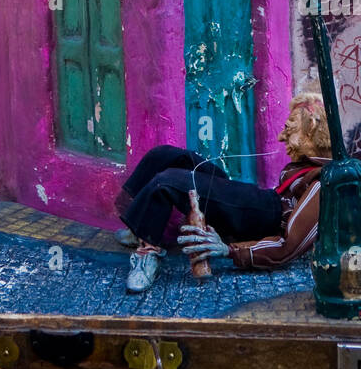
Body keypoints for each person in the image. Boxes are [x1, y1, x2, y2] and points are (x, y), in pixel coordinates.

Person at [117, 92, 331, 293]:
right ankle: (139, 225)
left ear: (311, 128)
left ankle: (148, 254)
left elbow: (289, 246)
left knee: (168, 182)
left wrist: (231, 251)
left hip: (262, 216)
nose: (282, 136)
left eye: (290, 128)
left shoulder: (323, 184)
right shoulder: (307, 165)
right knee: (164, 155)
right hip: (258, 201)